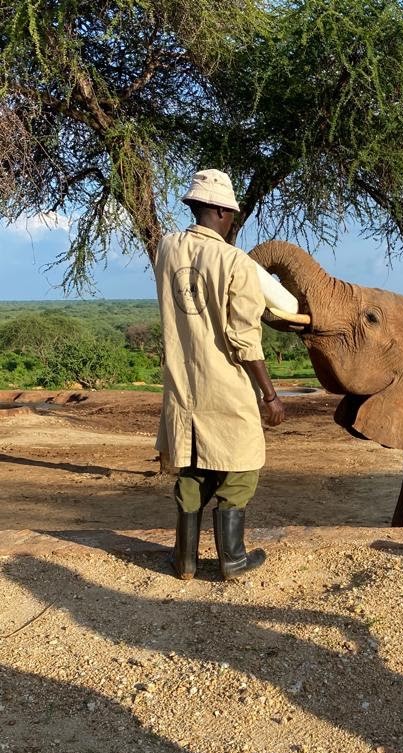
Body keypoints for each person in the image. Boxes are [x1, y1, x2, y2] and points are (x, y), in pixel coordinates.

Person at [154, 169, 285, 581]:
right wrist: (269, 394)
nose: (232, 222)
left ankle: (185, 560)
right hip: (226, 385)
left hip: (182, 386)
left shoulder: (166, 248)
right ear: (221, 212)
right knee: (243, 463)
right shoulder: (235, 262)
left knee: (194, 462)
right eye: (231, 215)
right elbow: (244, 338)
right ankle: (233, 558)